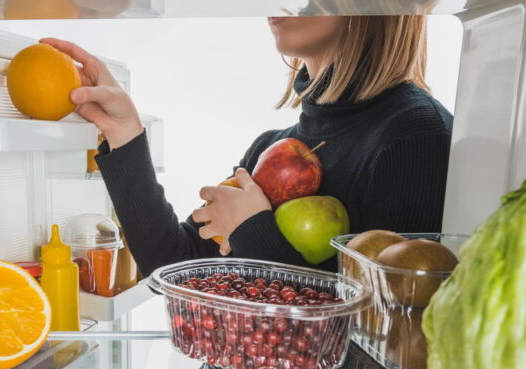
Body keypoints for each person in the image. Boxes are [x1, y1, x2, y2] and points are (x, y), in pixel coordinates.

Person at [42, 15, 453, 275]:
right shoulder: (272, 148)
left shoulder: (416, 136)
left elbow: (387, 322)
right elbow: (173, 262)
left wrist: (253, 231)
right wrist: (124, 132)